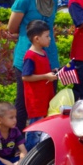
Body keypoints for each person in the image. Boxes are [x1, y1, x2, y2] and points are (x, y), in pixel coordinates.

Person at [8, 0, 60, 131]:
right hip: (27, 54)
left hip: (49, 55)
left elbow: (50, 26)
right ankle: (20, 140)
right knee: (24, 102)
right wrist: (29, 36)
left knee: (49, 99)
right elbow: (11, 28)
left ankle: (45, 139)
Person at [21, 20, 57, 151]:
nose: (49, 39)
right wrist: (45, 76)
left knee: (42, 128)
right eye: (47, 36)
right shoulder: (30, 56)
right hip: (36, 100)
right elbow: (25, 76)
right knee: (35, 129)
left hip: (44, 97)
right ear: (37, 38)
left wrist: (52, 73)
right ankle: (30, 157)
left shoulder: (43, 52)